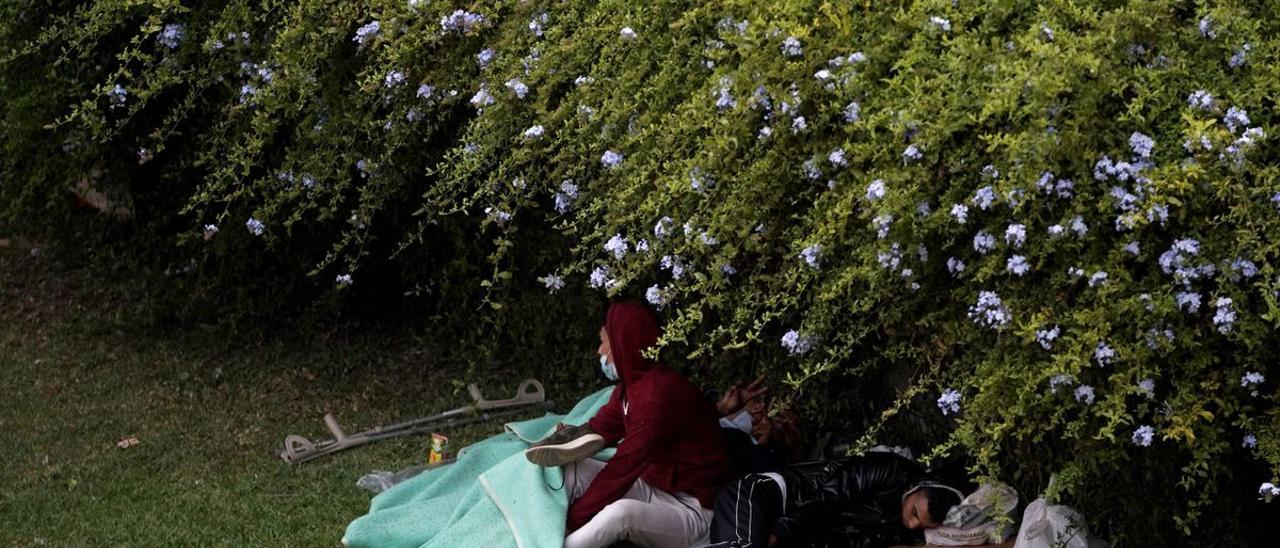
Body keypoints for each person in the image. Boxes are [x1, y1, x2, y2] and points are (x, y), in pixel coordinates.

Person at [526, 301, 731, 548]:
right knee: (571, 470)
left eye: (604, 343)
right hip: (653, 486)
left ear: (623, 345)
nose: (600, 351)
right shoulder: (630, 388)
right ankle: (533, 532)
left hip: (692, 509)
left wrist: (575, 518)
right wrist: (569, 436)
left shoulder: (658, 395)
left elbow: (623, 468)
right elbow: (602, 427)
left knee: (620, 515)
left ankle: (550, 542)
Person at [707, 451, 963, 548]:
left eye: (922, 526)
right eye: (915, 513)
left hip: (761, 533)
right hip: (767, 498)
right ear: (917, 488)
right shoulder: (892, 471)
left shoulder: (902, 532)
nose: (912, 525)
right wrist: (781, 532)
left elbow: (845, 540)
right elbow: (828, 498)